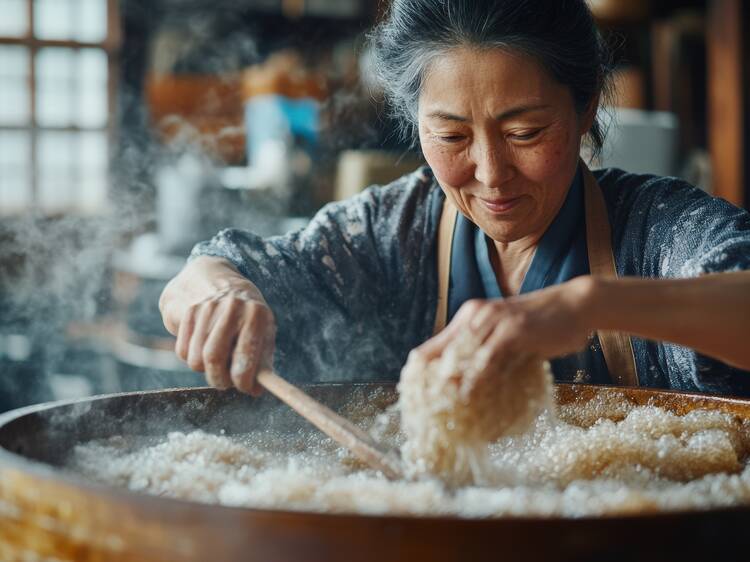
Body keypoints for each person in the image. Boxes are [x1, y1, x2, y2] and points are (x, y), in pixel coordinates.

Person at [159, 0, 750, 398]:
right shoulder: (397, 233)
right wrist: (218, 290)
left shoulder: (656, 232)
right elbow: (210, 272)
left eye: (525, 133)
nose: (491, 174)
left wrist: (587, 305)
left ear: (587, 103)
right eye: (451, 137)